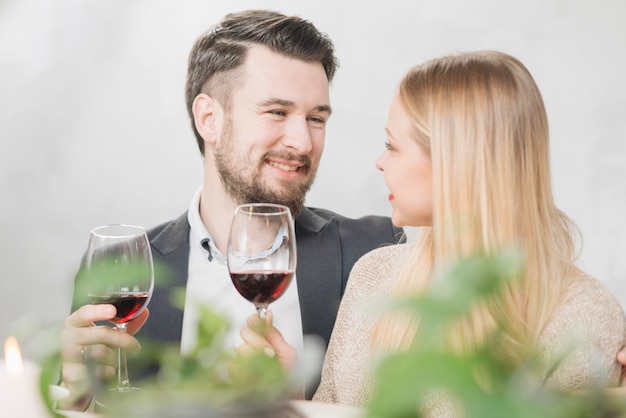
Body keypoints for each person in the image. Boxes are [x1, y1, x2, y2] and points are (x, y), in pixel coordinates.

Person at [238, 50, 626, 412]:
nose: (379, 161)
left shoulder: (583, 315)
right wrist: (294, 402)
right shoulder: (374, 276)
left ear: (455, 162)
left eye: (393, 146)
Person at [58, 9, 403, 410]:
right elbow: (92, 403)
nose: (302, 142)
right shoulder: (123, 268)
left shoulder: (375, 253)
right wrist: (75, 399)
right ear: (209, 119)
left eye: (315, 118)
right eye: (277, 112)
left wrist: (303, 410)